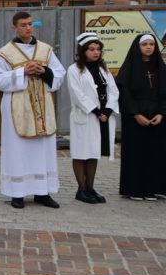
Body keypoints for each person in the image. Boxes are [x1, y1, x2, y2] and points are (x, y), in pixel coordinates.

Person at [0, 11, 66, 209]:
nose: (28, 28)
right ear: (14, 27)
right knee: (17, 150)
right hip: (16, 107)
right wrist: (22, 72)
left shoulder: (45, 50)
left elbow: (60, 74)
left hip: (42, 106)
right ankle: (17, 193)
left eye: (30, 24)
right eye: (23, 25)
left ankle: (42, 192)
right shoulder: (5, 53)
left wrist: (45, 71)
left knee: (43, 149)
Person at [67, 33, 119, 205]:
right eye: (91, 49)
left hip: (103, 116)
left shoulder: (103, 69)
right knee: (81, 153)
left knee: (93, 152)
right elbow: (77, 95)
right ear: (83, 51)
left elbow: (113, 90)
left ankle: (90, 188)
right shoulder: (74, 69)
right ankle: (81, 189)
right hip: (86, 115)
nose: (95, 52)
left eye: (98, 49)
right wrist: (96, 111)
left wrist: (108, 110)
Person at [116, 34, 166, 200]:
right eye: (144, 44)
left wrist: (161, 113)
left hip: (157, 117)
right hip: (135, 117)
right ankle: (135, 189)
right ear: (137, 47)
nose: (148, 47)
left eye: (152, 44)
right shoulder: (129, 67)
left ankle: (155, 188)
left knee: (156, 153)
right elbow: (124, 93)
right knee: (136, 154)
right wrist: (136, 114)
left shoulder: (160, 67)